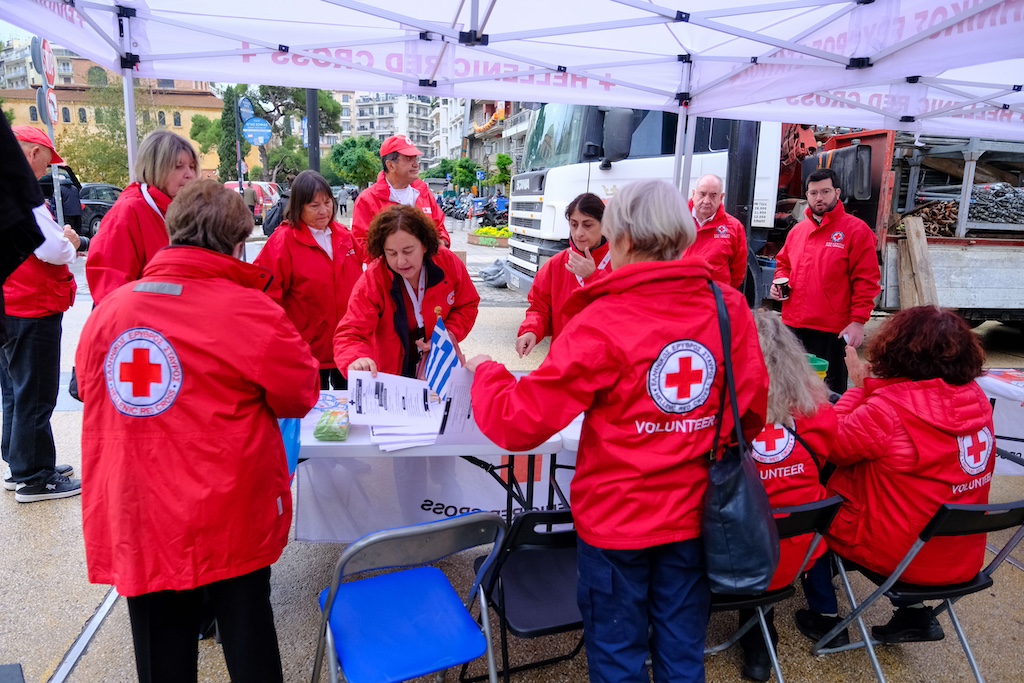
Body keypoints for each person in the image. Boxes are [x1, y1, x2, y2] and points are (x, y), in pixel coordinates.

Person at [465, 180, 769, 683]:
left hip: (618, 521)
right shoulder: (727, 306)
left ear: (621, 238)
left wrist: (487, 372)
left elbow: (517, 422)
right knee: (681, 651)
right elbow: (750, 413)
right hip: (697, 514)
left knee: (618, 654)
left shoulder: (602, 319)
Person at [76, 180, 320, 683]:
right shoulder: (250, 311)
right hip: (228, 512)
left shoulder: (109, 313)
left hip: (138, 510)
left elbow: (88, 388)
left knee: (160, 650)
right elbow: (299, 394)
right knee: (248, 635)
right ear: (237, 243)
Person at [806, 306, 994, 646]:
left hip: (905, 557)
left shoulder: (888, 408)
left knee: (811, 511)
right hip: (959, 556)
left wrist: (860, 388)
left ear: (895, 349)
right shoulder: (976, 399)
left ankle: (825, 618)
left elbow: (831, 444)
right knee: (916, 502)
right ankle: (913, 613)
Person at [739, 309, 837, 682]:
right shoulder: (819, 412)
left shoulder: (719, 412)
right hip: (798, 554)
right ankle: (762, 641)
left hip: (726, 555)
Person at [2, 126, 81, 502]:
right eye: (48, 159)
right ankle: (35, 476)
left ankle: (18, 463)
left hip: (12, 303)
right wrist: (71, 242)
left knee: (16, 391)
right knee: (34, 393)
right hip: (32, 304)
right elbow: (50, 249)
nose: (50, 168)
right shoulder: (20, 191)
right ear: (33, 153)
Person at [335, 205, 479, 379]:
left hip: (438, 365)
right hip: (390, 373)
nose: (401, 261)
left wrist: (446, 335)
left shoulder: (446, 262)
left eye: (408, 251)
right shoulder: (374, 278)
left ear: (425, 245)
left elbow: (467, 304)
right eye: (392, 253)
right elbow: (351, 331)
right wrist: (356, 358)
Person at [770, 168, 880, 393]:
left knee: (827, 394)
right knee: (791, 390)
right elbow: (783, 265)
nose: (819, 198)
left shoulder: (856, 231)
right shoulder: (798, 231)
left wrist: (858, 322)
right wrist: (779, 282)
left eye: (825, 191)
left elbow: (866, 280)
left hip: (831, 331)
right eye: (813, 193)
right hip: (794, 326)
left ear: (837, 193)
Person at [254, 170, 365, 389]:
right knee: (313, 416)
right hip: (307, 349)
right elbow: (264, 295)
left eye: (327, 202)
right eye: (314, 206)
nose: (324, 211)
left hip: (348, 346)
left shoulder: (343, 235)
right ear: (298, 207)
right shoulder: (283, 241)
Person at [86, 130, 199, 305]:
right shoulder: (129, 211)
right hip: (143, 325)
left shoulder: (184, 210)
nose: (189, 174)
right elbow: (110, 288)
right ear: (155, 168)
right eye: (179, 166)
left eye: (192, 167)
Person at [515, 192, 612, 357]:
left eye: (587, 225)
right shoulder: (556, 264)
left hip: (607, 359)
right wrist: (531, 330)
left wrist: (593, 277)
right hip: (564, 359)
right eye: (574, 224)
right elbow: (539, 308)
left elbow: (626, 308)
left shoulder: (618, 259)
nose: (579, 233)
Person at [350, 135, 450, 258]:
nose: (416, 165)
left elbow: (440, 228)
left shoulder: (423, 193)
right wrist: (395, 259)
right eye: (408, 159)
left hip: (426, 273)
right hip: (387, 275)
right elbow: (361, 244)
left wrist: (441, 242)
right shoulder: (368, 199)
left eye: (416, 159)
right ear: (391, 165)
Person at [684, 174, 748, 290]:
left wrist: (722, 293)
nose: (706, 201)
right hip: (678, 296)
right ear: (693, 194)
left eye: (713, 196)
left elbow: (738, 270)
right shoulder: (677, 221)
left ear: (721, 197)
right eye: (702, 194)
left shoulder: (734, 227)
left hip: (713, 299)